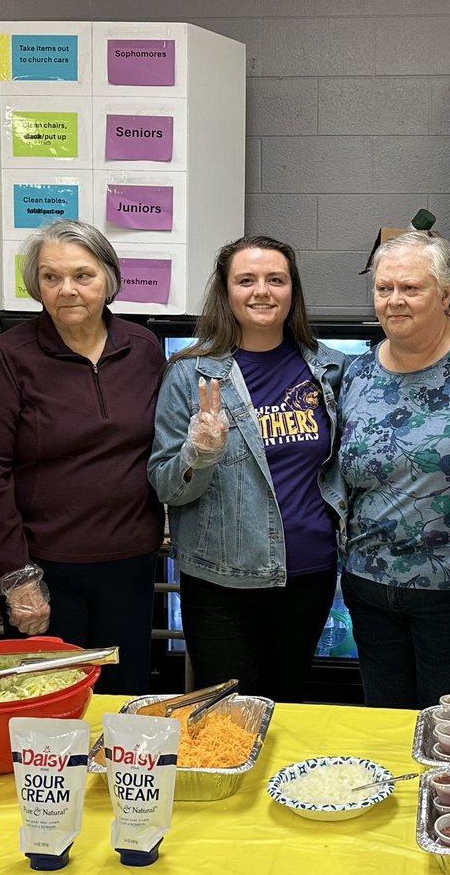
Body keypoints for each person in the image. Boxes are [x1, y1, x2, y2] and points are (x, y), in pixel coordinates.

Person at [0, 219, 164, 695]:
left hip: (132, 565)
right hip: (47, 572)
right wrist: (15, 577)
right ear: (36, 285)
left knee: (124, 699)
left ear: (109, 280)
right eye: (51, 277)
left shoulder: (143, 349)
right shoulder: (8, 356)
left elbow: (161, 450)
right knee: (51, 708)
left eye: (83, 275)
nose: (67, 289)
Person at [148, 235, 345, 702]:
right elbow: (166, 487)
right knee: (227, 717)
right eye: (246, 280)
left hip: (309, 575)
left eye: (276, 279)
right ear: (226, 291)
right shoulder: (190, 375)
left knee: (288, 704)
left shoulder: (330, 370)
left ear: (292, 290)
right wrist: (200, 451)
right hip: (221, 580)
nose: (262, 291)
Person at [338, 231, 450, 709]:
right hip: (369, 588)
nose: (394, 300)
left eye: (410, 288)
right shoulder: (357, 373)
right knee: (387, 725)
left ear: (447, 295)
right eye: (383, 288)